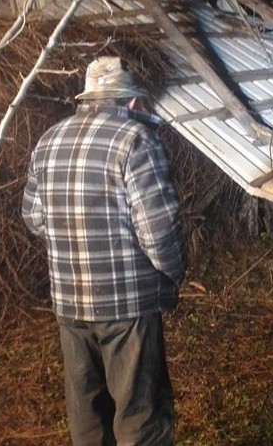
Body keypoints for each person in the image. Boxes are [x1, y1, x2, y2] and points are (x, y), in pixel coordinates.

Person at [22, 56, 186, 446]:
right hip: (127, 308)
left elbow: (33, 216)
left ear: (87, 98)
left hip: (70, 305)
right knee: (139, 414)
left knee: (88, 416)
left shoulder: (48, 141)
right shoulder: (136, 140)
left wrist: (74, 242)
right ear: (131, 102)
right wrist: (173, 274)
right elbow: (159, 230)